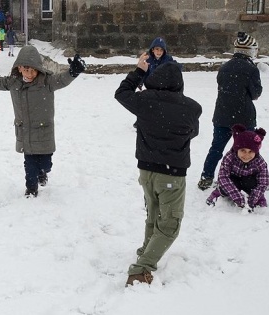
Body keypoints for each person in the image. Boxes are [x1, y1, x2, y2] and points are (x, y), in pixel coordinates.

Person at [114, 55, 202, 286]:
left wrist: (138, 72)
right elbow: (193, 132)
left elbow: (121, 94)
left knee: (153, 215)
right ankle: (141, 269)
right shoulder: (192, 108)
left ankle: (146, 250)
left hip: (146, 171)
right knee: (170, 224)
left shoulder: (144, 100)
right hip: (172, 173)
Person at [0, 45, 86, 197]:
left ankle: (42, 173)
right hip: (25, 132)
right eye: (25, 69)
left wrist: (73, 72)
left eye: (33, 70)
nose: (29, 74)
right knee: (29, 165)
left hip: (43, 132)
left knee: (45, 164)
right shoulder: (14, 82)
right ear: (19, 68)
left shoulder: (47, 82)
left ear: (38, 68)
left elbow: (62, 80)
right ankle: (31, 189)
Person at [198, 32, 263, 190]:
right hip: (244, 118)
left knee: (216, 148)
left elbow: (222, 86)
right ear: (250, 50)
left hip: (222, 115)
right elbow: (255, 93)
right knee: (248, 149)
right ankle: (247, 176)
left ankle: (206, 177)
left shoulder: (224, 67)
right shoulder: (251, 69)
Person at [206, 124, 267, 213]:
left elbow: (263, 183)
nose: (246, 155)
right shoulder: (229, 157)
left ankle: (258, 198)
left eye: (250, 152)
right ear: (237, 149)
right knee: (224, 185)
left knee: (254, 185)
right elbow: (223, 177)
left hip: (248, 182)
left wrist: (254, 198)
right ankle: (218, 193)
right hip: (233, 180)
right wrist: (238, 198)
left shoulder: (260, 162)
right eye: (243, 151)